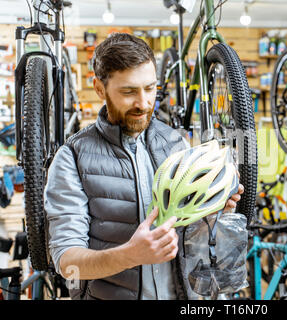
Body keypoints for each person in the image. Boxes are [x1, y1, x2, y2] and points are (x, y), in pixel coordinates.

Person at [44, 33, 244, 300]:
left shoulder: (176, 143)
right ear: (100, 89)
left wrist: (212, 207)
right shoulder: (72, 157)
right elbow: (67, 263)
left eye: (150, 88)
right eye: (128, 92)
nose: (144, 103)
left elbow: (190, 232)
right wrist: (129, 255)